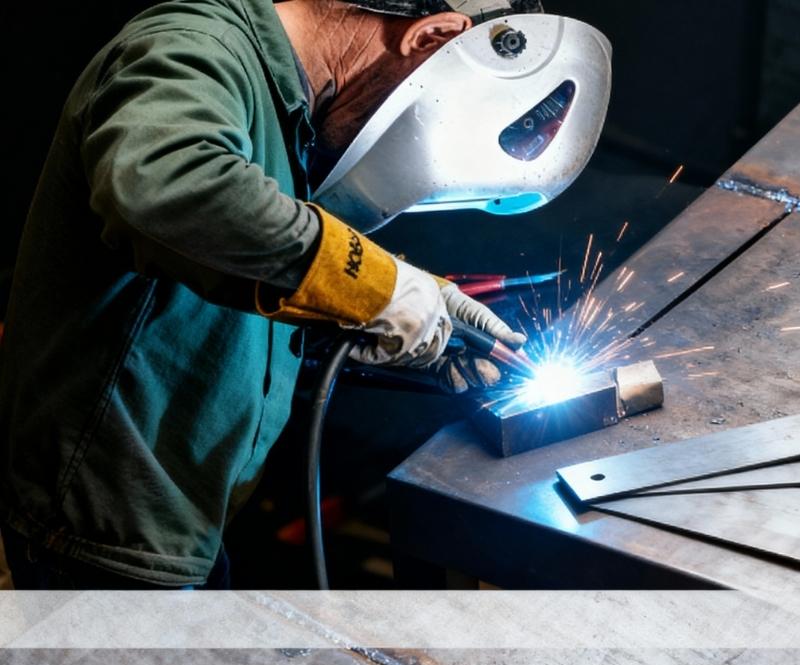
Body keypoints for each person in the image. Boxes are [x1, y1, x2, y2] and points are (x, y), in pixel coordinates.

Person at [0, 0, 537, 588]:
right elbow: (168, 187)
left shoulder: (292, 111)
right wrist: (378, 287)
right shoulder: (193, 49)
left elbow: (249, 255)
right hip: (97, 528)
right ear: (431, 37)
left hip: (179, 521)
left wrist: (430, 308)